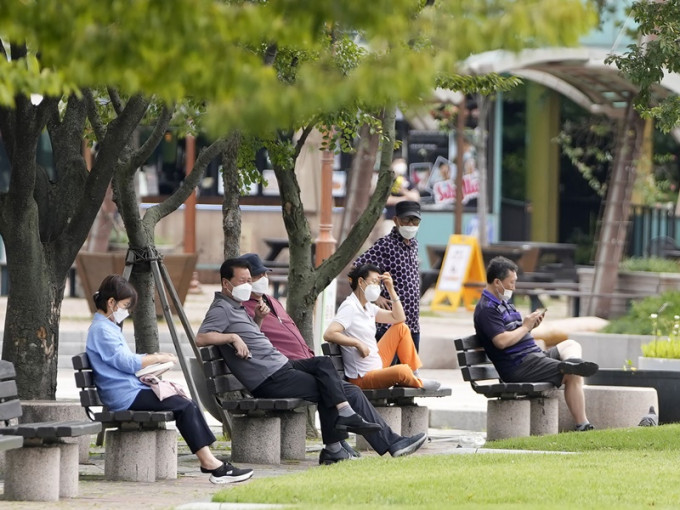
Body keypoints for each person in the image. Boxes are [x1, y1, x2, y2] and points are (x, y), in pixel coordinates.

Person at [195, 258, 428, 465]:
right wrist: (232, 337)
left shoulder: (237, 307)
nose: (248, 284)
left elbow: (251, 340)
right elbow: (201, 337)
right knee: (331, 387)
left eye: (250, 279)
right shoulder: (222, 308)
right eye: (243, 280)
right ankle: (347, 445)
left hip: (281, 366)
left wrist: (258, 319)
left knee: (332, 374)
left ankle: (343, 439)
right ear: (226, 284)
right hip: (269, 378)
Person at [85, 275, 254, 484]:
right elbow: (126, 362)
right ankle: (212, 465)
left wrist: (153, 364)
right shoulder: (102, 329)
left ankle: (211, 462)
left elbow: (122, 363)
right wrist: (158, 357)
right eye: (125, 305)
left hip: (128, 390)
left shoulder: (106, 327)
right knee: (185, 406)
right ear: (111, 303)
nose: (126, 311)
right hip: (124, 396)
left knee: (185, 402)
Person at [473, 256, 599, 431]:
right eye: (511, 282)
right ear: (497, 282)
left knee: (570, 344)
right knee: (572, 375)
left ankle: (573, 363)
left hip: (532, 357)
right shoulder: (487, 309)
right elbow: (501, 342)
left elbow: (515, 334)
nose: (514, 287)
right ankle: (583, 424)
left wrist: (530, 326)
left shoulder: (503, 303)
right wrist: (525, 327)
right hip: (519, 366)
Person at [324, 263, 440, 391]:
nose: (377, 287)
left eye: (378, 284)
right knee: (401, 371)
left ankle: (415, 375)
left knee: (401, 328)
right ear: (361, 282)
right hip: (363, 377)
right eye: (373, 282)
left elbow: (399, 318)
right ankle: (417, 382)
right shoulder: (350, 306)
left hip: (377, 364)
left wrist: (391, 289)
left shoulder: (368, 307)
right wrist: (357, 343)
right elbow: (329, 333)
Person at [354, 200, 422, 351]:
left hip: (412, 320)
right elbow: (357, 267)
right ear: (396, 220)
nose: (411, 225)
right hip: (389, 322)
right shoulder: (385, 245)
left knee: (410, 369)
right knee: (390, 370)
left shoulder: (414, 244)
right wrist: (375, 297)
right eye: (406, 220)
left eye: (415, 220)